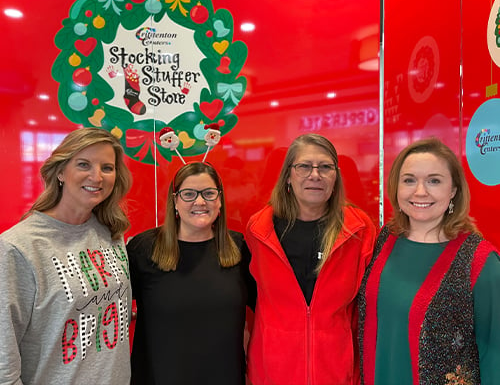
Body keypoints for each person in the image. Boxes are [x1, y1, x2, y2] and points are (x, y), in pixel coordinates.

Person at [358, 137, 500, 385]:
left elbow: (495, 354)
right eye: (409, 180)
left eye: (434, 181)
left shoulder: (480, 262)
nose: (420, 191)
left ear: (453, 190)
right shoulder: (385, 240)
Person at [0, 127, 133, 384]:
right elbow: (3, 359)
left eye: (107, 168)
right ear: (60, 171)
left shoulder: (111, 234)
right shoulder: (18, 247)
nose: (97, 176)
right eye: (84, 164)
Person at [245, 133, 377, 385]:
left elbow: (368, 308)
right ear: (288, 176)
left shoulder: (359, 230)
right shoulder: (259, 231)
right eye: (304, 166)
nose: (315, 175)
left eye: (325, 167)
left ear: (335, 177)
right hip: (273, 372)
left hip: (338, 373)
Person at [127, 162, 256, 385]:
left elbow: (270, 312)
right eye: (188, 194)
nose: (199, 201)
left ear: (220, 200)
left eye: (208, 193)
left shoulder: (241, 249)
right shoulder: (144, 249)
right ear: (175, 201)